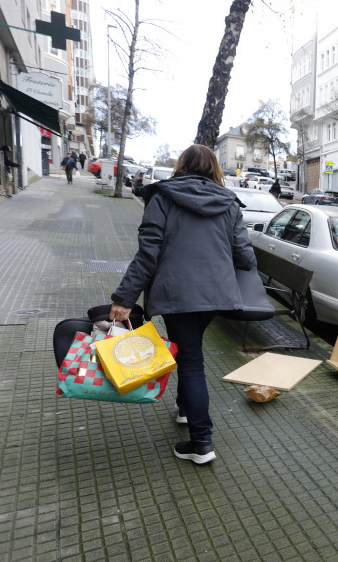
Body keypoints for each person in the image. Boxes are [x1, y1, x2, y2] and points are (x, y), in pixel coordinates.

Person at [109, 144, 256, 465]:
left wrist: (123, 299)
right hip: (215, 296)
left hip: (177, 295)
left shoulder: (162, 197)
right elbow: (245, 256)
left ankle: (202, 443)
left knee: (190, 361)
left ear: (182, 166)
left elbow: (149, 253)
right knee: (191, 352)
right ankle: (185, 411)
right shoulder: (229, 202)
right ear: (214, 168)